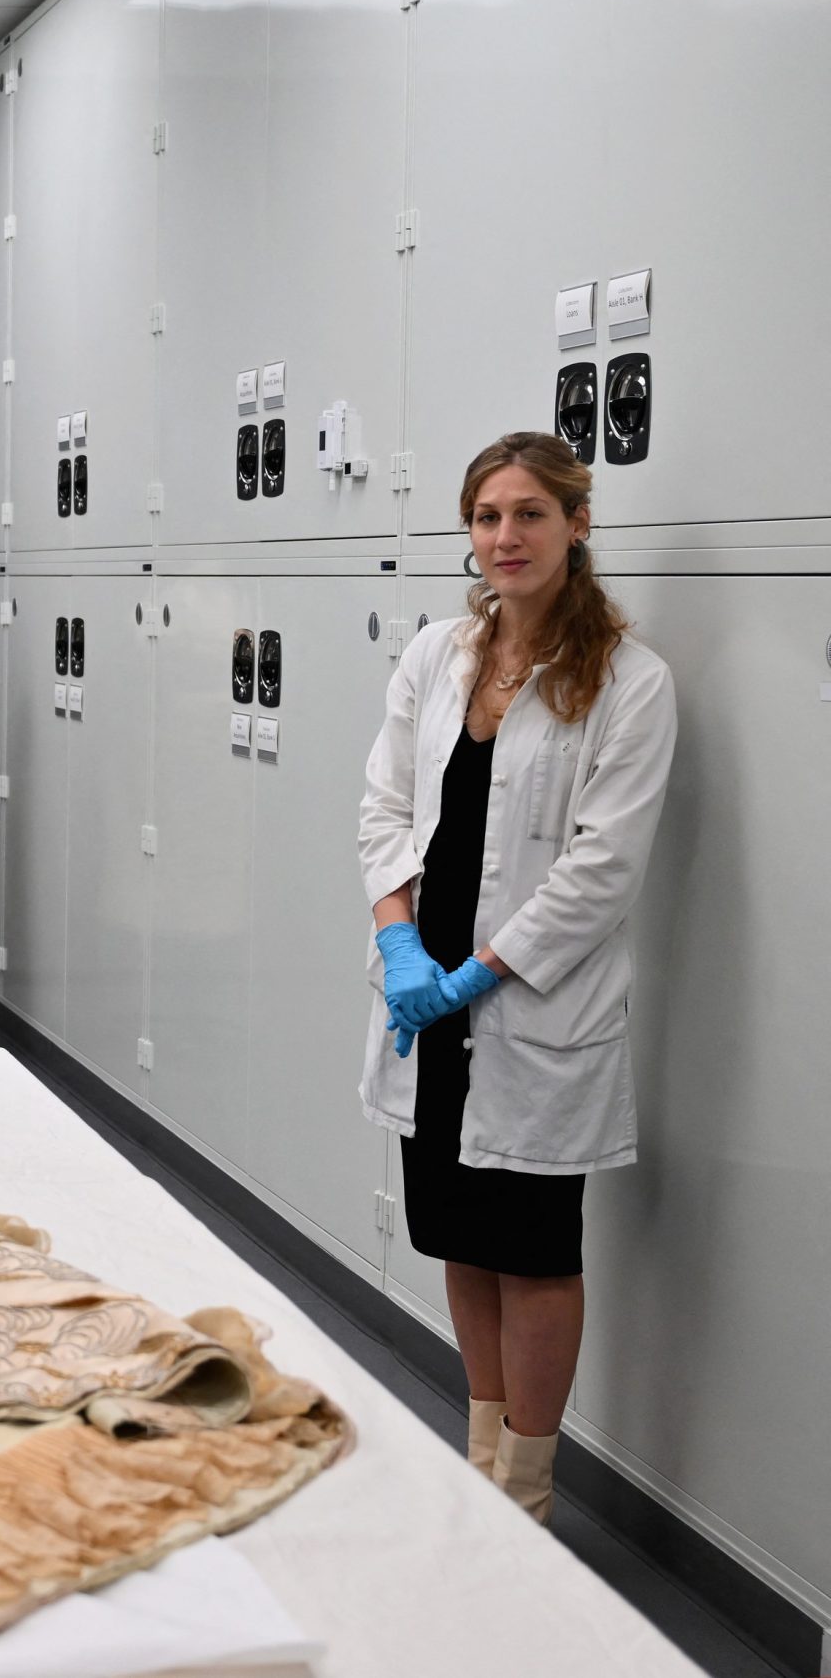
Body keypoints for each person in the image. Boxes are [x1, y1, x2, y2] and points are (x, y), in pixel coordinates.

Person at [356, 431, 677, 1524]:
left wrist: (475, 976)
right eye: (488, 516)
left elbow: (603, 868)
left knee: (533, 1252)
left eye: (530, 514)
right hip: (424, 991)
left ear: (576, 525)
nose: (506, 536)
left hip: (524, 1001)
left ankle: (526, 1493)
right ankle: (481, 1458)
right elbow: (383, 807)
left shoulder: (630, 682)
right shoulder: (435, 655)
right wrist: (401, 944)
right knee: (459, 1236)